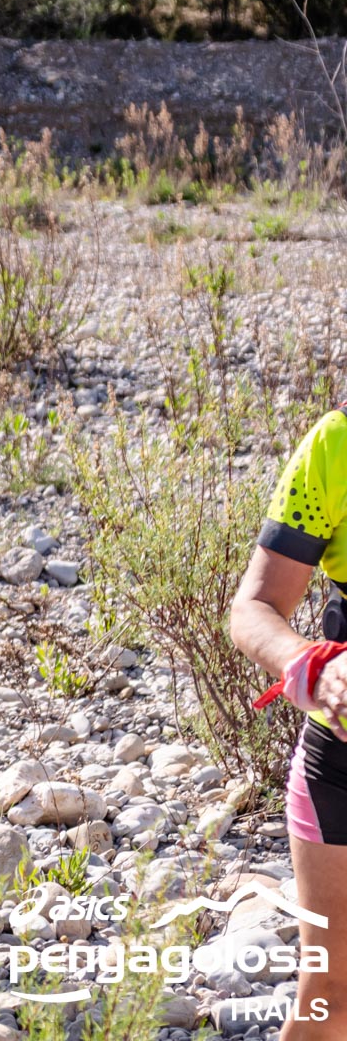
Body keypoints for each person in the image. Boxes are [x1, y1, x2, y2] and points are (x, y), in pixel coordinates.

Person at [232, 405, 347, 1039]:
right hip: (341, 770)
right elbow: (255, 607)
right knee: (330, 1000)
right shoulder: (337, 443)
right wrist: (313, 668)